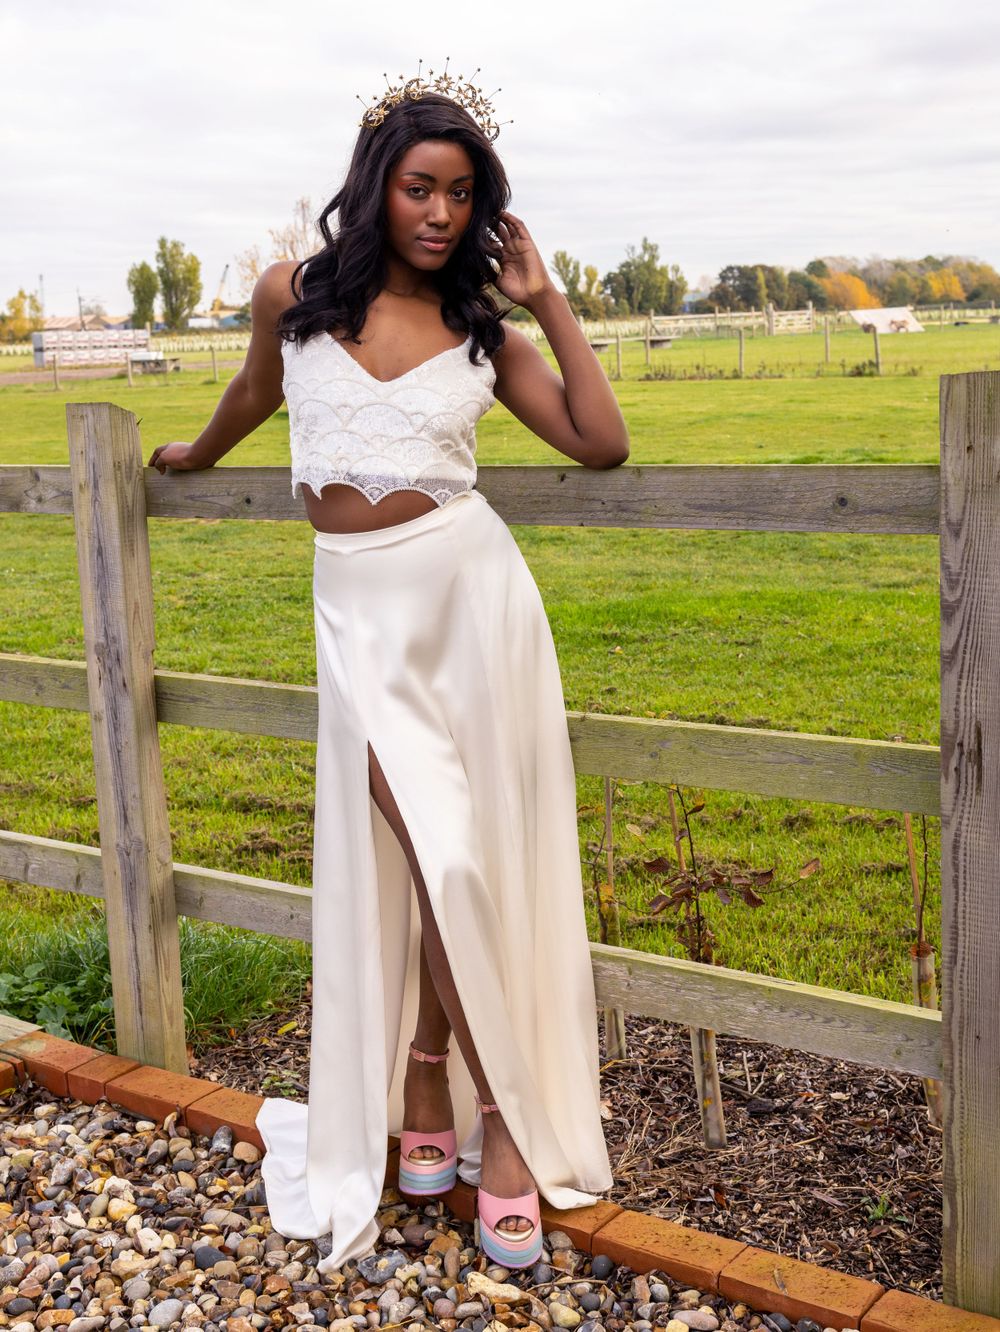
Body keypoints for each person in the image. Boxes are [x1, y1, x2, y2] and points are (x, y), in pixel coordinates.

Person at [147, 69, 629, 1274]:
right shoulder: (293, 297)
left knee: (451, 851)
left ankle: (459, 1098)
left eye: (463, 195)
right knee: (437, 850)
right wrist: (194, 453)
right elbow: (255, 395)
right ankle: (476, 1107)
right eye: (421, 187)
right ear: (377, 187)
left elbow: (599, 441)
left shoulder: (482, 332)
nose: (441, 213)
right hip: (359, 619)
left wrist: (547, 296)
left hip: (471, 605)